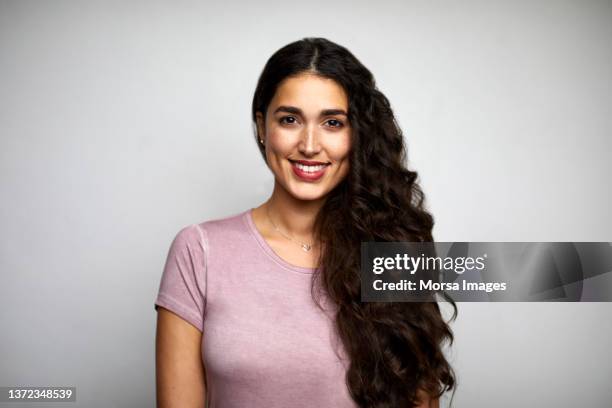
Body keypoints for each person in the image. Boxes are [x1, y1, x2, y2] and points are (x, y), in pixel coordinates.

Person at [154, 37, 456, 408]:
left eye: (332, 122)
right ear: (262, 127)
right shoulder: (198, 251)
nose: (310, 145)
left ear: (357, 134)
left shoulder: (393, 251)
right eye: (290, 119)